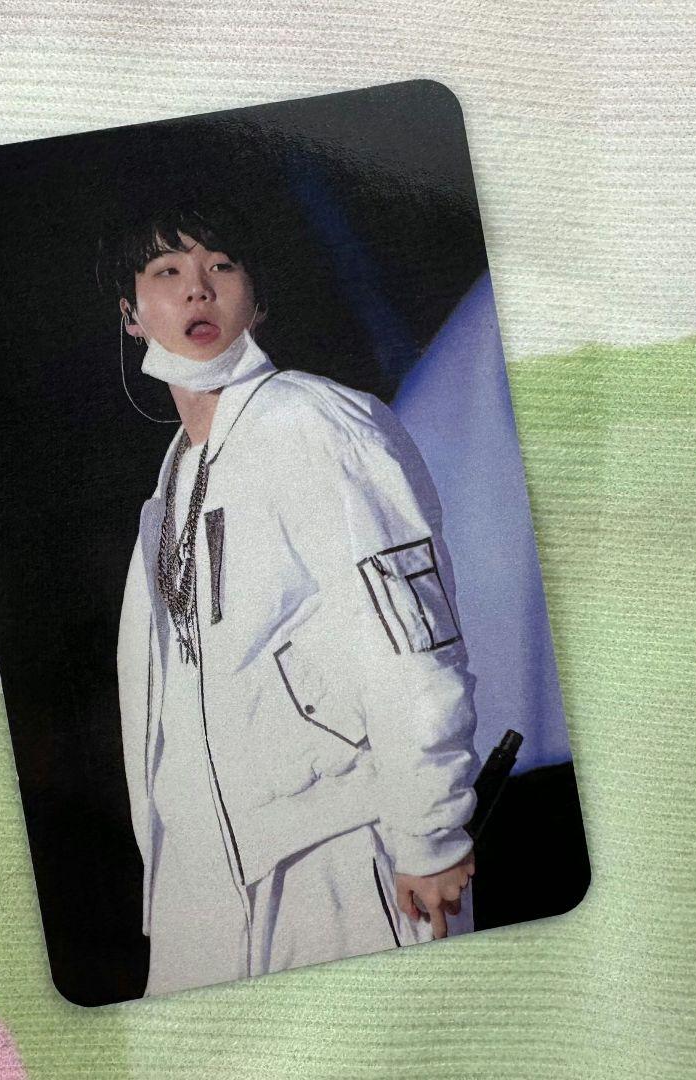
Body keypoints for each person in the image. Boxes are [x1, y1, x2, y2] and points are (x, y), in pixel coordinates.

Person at [100, 201, 480, 998]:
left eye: (221, 266)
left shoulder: (314, 421)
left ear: (259, 300)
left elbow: (408, 636)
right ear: (131, 315)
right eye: (167, 271)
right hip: (203, 894)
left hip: (334, 853)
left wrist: (431, 831)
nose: (198, 288)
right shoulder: (166, 493)